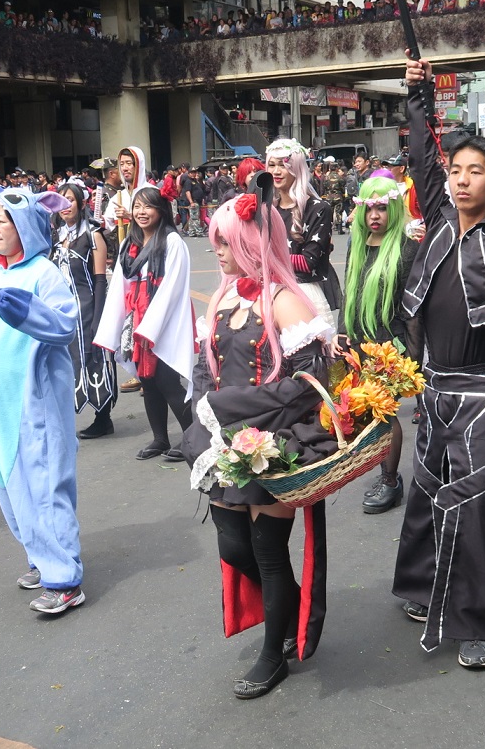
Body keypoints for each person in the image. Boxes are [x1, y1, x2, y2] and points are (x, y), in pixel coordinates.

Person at [394, 37, 485, 669]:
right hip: (435, 385)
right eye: (455, 172)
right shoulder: (438, 211)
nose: (458, 180)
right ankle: (424, 587)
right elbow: (422, 150)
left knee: (478, 510)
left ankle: (477, 620)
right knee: (426, 492)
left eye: (473, 171)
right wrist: (417, 91)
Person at [181, 192, 335, 699]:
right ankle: (289, 607)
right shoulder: (226, 295)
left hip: (273, 439)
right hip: (223, 437)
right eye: (215, 241)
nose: (218, 251)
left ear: (251, 240)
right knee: (232, 545)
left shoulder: (286, 301)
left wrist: (236, 411)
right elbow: (207, 367)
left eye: (226, 241)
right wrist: (206, 412)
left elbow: (309, 381)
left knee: (268, 552)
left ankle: (275, 654)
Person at [0, 190, 86, 614]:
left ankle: (65, 578)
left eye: (4, 220)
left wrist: (21, 309)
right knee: (10, 482)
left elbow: (63, 326)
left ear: (26, 228)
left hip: (29, 400)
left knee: (42, 483)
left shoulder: (45, 273)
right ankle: (40, 556)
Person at [94, 186, 195, 461]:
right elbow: (120, 284)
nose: (141, 212)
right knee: (147, 380)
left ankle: (194, 438)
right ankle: (160, 439)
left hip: (163, 317)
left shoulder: (173, 241)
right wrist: (119, 324)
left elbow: (173, 287)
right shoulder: (130, 242)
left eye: (147, 206)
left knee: (166, 379)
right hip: (136, 315)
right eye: (137, 206)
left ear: (161, 210)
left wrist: (151, 326)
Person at [340, 176, 421, 514]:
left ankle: (390, 481)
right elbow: (350, 295)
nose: (375, 215)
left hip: (390, 345)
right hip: (358, 342)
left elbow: (413, 309)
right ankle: (385, 474)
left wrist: (414, 356)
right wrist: (343, 333)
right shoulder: (356, 245)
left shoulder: (406, 248)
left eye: (383, 208)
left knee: (384, 414)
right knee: (369, 414)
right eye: (369, 207)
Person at [50, 183, 116, 439]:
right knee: (69, 361)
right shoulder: (57, 237)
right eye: (61, 201)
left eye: (70, 200)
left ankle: (103, 418)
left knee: (93, 358)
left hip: (87, 306)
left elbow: (100, 279)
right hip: (63, 310)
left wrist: (99, 318)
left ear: (80, 203)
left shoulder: (93, 235)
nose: (65, 206)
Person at [266, 139, 339, 323]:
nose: (276, 171)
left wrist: (265, 258)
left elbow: (308, 262)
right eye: (272, 165)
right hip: (270, 292)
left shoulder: (318, 208)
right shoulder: (267, 209)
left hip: (303, 294)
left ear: (296, 168)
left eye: (283, 165)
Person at [101, 147, 155, 395]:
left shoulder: (151, 193)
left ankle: (154, 373)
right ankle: (137, 370)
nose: (125, 168)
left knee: (149, 317)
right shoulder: (119, 197)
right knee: (128, 316)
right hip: (127, 263)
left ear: (139, 165)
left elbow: (162, 224)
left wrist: (132, 216)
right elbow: (106, 224)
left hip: (151, 265)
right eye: (121, 163)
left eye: (129, 163)